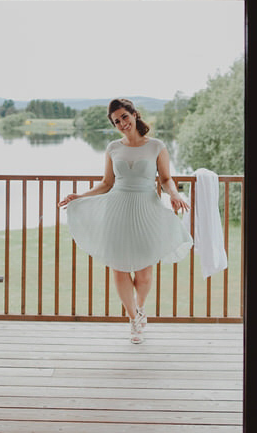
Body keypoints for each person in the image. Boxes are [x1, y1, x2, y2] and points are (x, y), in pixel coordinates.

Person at [59, 98, 192, 343]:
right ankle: (133, 320)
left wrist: (173, 193)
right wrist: (80, 195)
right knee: (119, 269)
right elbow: (107, 183)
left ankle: (140, 308)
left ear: (134, 114)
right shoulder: (112, 148)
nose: (122, 123)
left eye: (124, 117)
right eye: (116, 121)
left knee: (144, 271)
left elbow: (165, 178)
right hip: (117, 209)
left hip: (146, 208)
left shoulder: (156, 146)